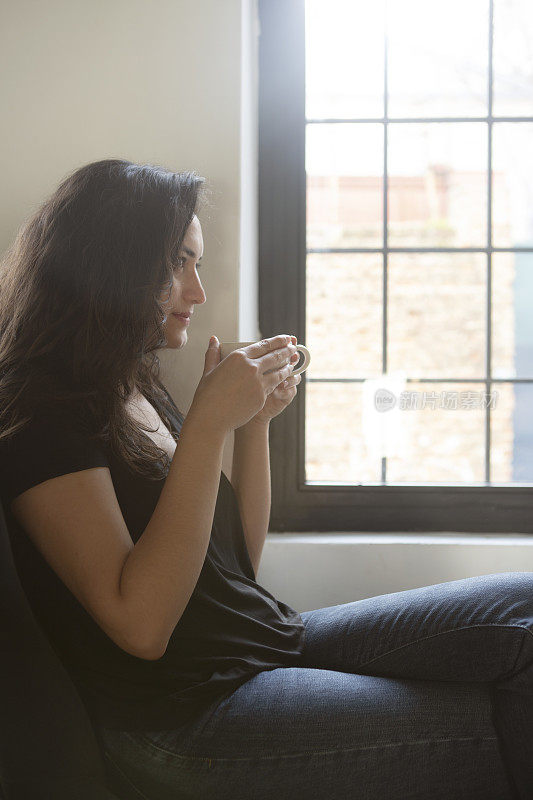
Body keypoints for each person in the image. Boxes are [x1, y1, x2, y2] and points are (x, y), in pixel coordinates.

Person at [0, 159, 531, 800]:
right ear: (114, 264)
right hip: (186, 719)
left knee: (524, 602)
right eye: (180, 262)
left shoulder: (130, 385)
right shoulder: (41, 415)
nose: (197, 292)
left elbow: (236, 566)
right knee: (483, 713)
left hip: (264, 642)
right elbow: (139, 627)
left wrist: (251, 426)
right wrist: (204, 425)